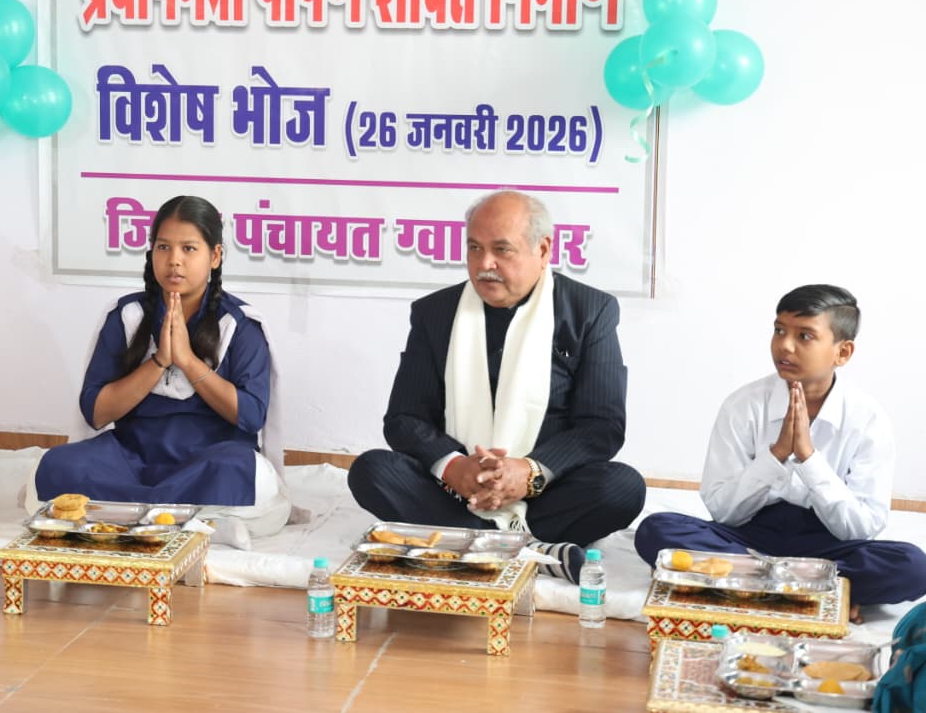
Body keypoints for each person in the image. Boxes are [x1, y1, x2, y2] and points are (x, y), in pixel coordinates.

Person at [348, 191, 646, 582]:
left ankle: (467, 543)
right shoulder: (434, 313)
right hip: (454, 490)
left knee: (622, 488)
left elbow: (601, 426)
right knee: (370, 471)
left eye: (501, 250)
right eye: (474, 248)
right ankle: (530, 551)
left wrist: (528, 472)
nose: (484, 264)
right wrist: (454, 467)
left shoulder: (589, 312)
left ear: (543, 249)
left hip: (544, 492)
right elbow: (404, 419)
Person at [634, 284, 926, 617]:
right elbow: (724, 512)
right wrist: (776, 455)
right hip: (748, 538)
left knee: (913, 567)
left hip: (827, 544)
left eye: (805, 336)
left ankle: (744, 584)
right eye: (779, 330)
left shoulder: (868, 419)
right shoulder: (743, 406)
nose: (784, 345)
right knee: (656, 530)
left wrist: (808, 458)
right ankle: (822, 591)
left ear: (842, 353)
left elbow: (862, 527)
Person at [33, 195, 289, 538]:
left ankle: (128, 515)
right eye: (164, 247)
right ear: (151, 252)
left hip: (207, 462)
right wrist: (159, 362)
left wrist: (187, 361)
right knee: (58, 465)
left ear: (215, 256)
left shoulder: (239, 324)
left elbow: (252, 415)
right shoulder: (127, 316)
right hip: (130, 459)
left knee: (247, 473)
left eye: (189, 249)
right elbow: (95, 412)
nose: (174, 260)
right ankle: (195, 520)